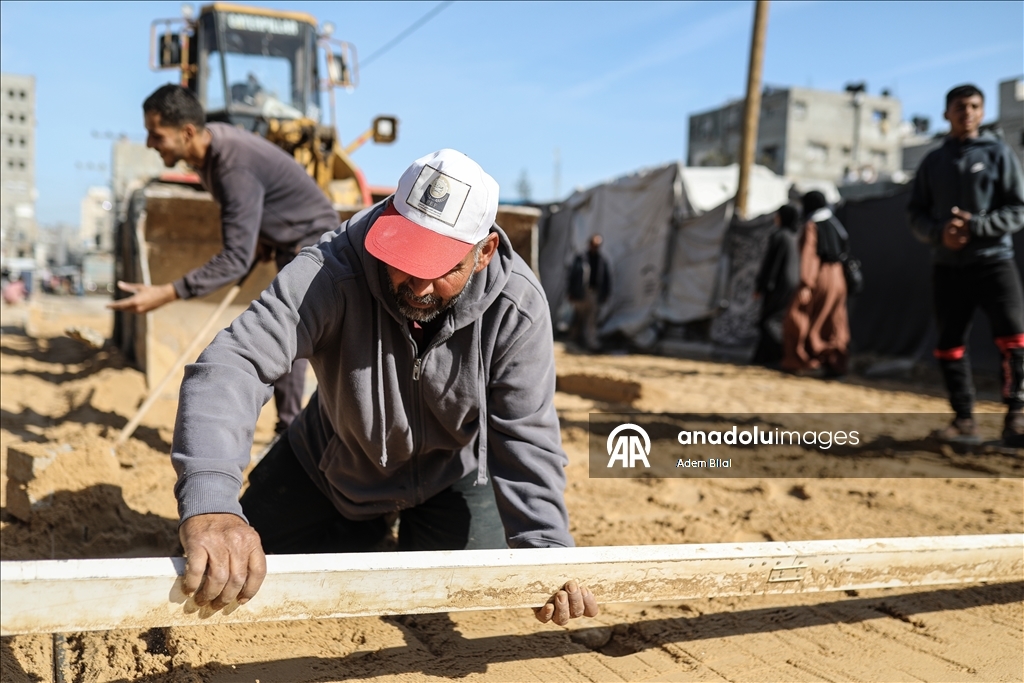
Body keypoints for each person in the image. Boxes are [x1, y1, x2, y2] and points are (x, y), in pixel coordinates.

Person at [170, 149, 599, 626]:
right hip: (333, 467)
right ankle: (362, 529)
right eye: (406, 258)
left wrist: (543, 543)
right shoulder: (331, 270)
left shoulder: (517, 307)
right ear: (387, 221)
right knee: (227, 576)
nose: (419, 286)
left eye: (443, 268)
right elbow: (235, 364)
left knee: (461, 595)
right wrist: (211, 504)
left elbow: (526, 432)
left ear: (484, 253)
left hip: (450, 474)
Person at [109, 84, 340, 433]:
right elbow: (254, 211)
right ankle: (291, 430)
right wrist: (261, 236)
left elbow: (234, 258)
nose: (149, 144)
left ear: (187, 132)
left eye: (156, 135)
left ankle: (289, 432)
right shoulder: (209, 152)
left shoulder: (232, 166)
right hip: (285, 239)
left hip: (311, 242)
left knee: (288, 334)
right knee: (286, 332)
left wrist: (166, 293)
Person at [908, 84, 1024, 447]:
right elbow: (915, 214)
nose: (967, 112)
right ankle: (964, 420)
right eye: (960, 106)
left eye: (974, 106)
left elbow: (1018, 209)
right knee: (949, 344)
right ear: (947, 113)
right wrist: (939, 233)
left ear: (982, 112)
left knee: (1015, 339)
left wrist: (978, 226)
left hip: (994, 261)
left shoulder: (998, 154)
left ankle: (1017, 418)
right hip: (948, 266)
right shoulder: (933, 162)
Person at [780, 191, 850, 376]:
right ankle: (835, 364)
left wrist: (806, 284)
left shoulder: (812, 226)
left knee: (798, 316)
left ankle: (800, 361)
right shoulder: (836, 225)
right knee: (834, 322)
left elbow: (809, 256)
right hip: (839, 279)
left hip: (820, 276)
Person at [753, 204, 802, 366]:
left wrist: (761, 286)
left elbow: (770, 265)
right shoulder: (796, 236)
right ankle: (761, 358)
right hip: (792, 284)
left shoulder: (779, 236)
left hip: (777, 285)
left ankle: (779, 356)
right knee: (776, 319)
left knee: (769, 321)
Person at [567, 234, 612, 352]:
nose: (595, 247)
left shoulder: (602, 260)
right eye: (593, 245)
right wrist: (571, 292)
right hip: (581, 292)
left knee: (591, 319)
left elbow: (606, 278)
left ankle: (591, 343)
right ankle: (573, 341)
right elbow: (573, 276)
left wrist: (605, 294)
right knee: (578, 318)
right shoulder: (581, 258)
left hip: (594, 293)